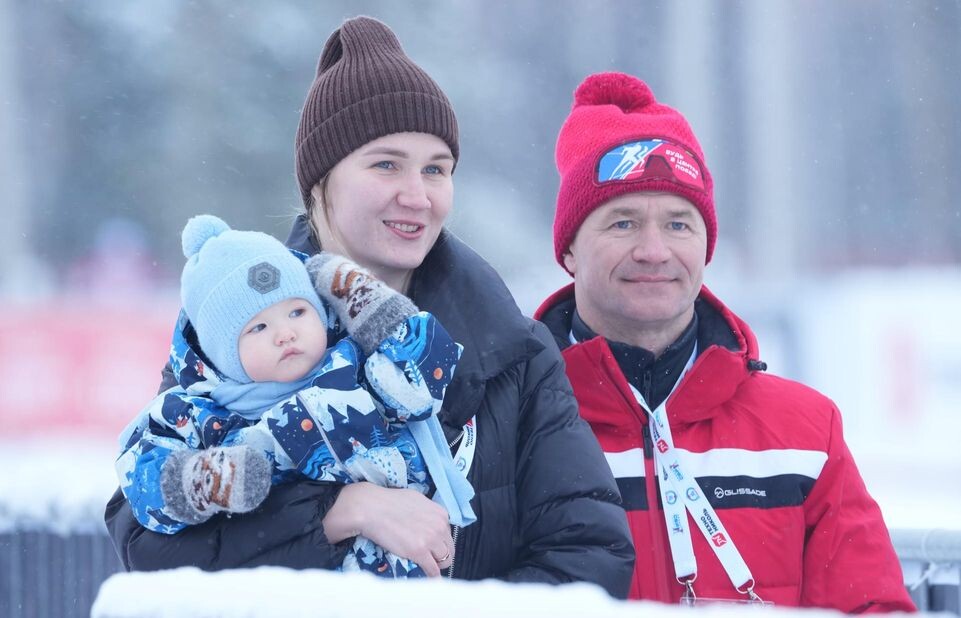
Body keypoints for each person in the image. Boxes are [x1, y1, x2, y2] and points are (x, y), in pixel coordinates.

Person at [105, 16, 634, 595]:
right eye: (386, 164)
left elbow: (589, 553)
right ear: (319, 184)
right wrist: (342, 511)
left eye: (437, 169)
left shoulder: (511, 349)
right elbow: (149, 546)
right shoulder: (237, 329)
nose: (417, 195)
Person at [533, 71, 915, 611]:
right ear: (569, 250)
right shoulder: (511, 423)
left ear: (706, 247)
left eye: (679, 225)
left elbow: (871, 607)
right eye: (622, 223)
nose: (654, 250)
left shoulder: (805, 431)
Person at [115, 214, 473, 578]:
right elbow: (144, 476)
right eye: (258, 327)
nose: (285, 333)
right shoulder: (201, 412)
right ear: (221, 354)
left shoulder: (354, 371)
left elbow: (419, 385)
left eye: (298, 312)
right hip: (296, 589)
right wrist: (211, 481)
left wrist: (364, 299)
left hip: (398, 580)